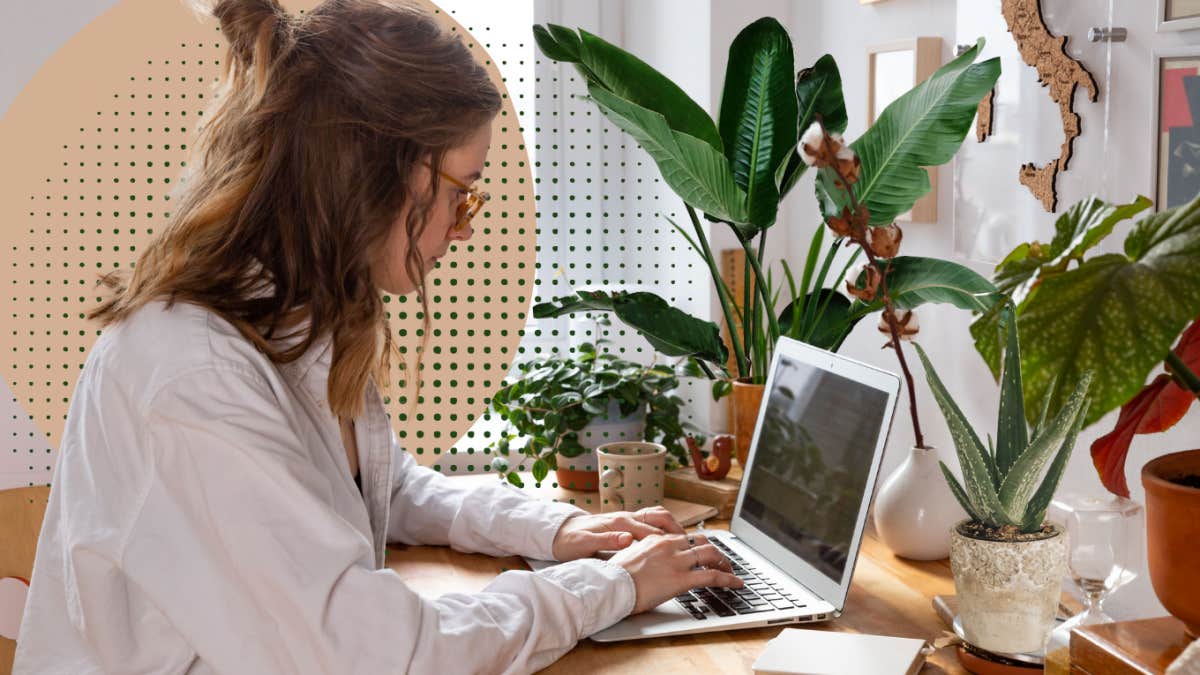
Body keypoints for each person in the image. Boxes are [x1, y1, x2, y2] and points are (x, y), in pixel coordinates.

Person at [12, 1, 743, 673]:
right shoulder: (193, 376)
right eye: (463, 192)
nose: (465, 226)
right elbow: (375, 654)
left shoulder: (302, 317)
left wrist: (555, 530)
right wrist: (607, 586)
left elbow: (381, 483)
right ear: (373, 173)